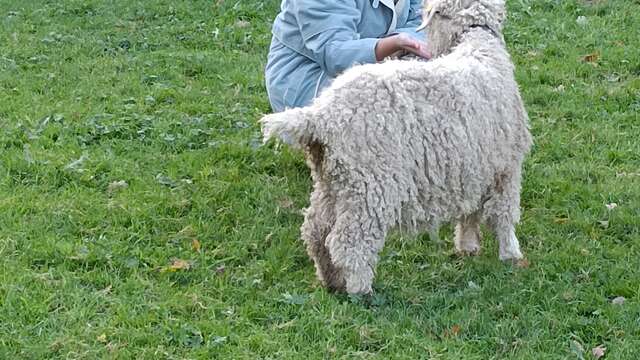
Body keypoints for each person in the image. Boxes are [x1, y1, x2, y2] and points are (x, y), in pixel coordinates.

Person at [265, 0, 429, 112]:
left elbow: (420, 20)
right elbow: (334, 53)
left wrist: (405, 42)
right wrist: (394, 44)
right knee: (391, 111)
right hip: (311, 75)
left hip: (381, 64)